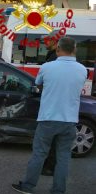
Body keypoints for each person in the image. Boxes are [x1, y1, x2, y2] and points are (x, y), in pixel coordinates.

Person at [12, 37, 86, 194]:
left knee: (39, 154)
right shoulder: (82, 70)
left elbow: (38, 84)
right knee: (63, 158)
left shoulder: (47, 67)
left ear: (58, 49)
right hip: (69, 121)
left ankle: (28, 187)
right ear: (74, 50)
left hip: (48, 118)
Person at [41, 29, 64, 176]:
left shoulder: (53, 59)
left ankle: (49, 167)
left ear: (56, 43)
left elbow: (43, 82)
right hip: (60, 105)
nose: (46, 43)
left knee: (50, 139)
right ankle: (51, 166)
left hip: (53, 105)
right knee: (55, 140)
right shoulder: (53, 57)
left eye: (48, 40)